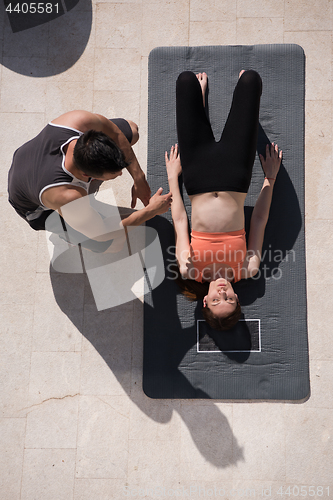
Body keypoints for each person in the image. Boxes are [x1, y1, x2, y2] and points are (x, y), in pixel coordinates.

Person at [165, 70, 282, 330]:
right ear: (237, 298)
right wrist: (269, 179)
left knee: (185, 80)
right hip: (235, 174)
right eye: (228, 298)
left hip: (197, 175)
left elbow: (180, 221)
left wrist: (174, 177)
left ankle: (201, 102)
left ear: (205, 301)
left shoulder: (189, 271)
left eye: (216, 300)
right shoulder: (247, 268)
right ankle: (206, 108)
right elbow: (259, 221)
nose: (222, 292)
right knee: (250, 80)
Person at [8, 111, 172, 249]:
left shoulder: (77, 121)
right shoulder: (68, 196)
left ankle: (83, 219)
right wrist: (150, 211)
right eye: (114, 175)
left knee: (132, 130)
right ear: (88, 177)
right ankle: (67, 231)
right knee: (113, 244)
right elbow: (103, 234)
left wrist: (139, 178)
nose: (121, 175)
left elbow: (115, 133)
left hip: (31, 163)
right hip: (35, 209)